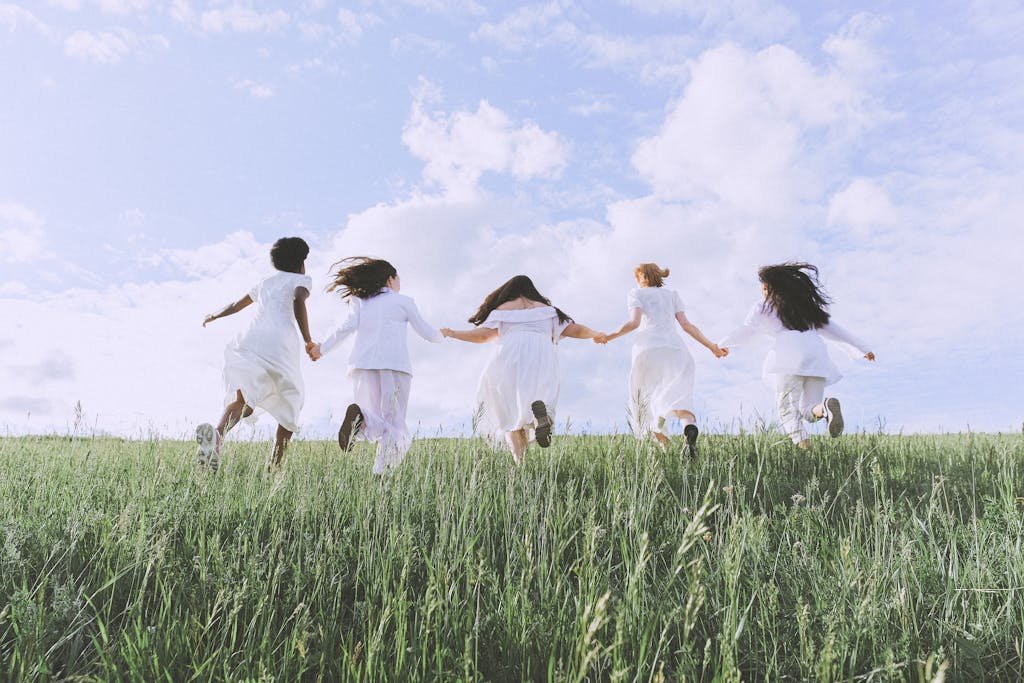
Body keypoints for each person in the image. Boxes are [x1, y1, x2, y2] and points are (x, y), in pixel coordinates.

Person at [441, 275, 600, 464]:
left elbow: (482, 336)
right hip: (541, 353)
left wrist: (454, 333)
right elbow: (574, 330)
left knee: (508, 410)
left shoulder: (502, 310)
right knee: (540, 395)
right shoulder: (548, 311)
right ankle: (543, 419)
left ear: (508, 292)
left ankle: (520, 463)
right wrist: (596, 334)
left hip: (509, 354)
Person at [719, 262, 875, 448]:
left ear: (772, 288)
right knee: (809, 411)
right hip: (816, 355)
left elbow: (749, 330)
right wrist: (863, 348)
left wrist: (723, 344)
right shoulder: (807, 308)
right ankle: (824, 408)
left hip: (789, 355)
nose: (762, 292)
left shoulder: (764, 306)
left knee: (787, 410)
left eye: (764, 288)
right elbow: (834, 330)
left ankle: (806, 452)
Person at [307, 257, 442, 475]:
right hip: (395, 365)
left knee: (377, 418)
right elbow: (428, 333)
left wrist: (320, 349)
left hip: (362, 365)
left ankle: (361, 415)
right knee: (395, 423)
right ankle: (382, 474)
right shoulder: (404, 301)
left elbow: (345, 328)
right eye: (398, 278)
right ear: (390, 279)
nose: (400, 283)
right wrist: (443, 335)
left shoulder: (360, 301)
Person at [196, 236, 317, 471]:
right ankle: (274, 466)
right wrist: (308, 340)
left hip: (251, 340)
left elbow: (235, 305)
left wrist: (214, 316)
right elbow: (299, 300)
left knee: (243, 399)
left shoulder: (266, 282)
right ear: (301, 263)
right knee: (292, 398)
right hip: (280, 344)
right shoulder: (301, 280)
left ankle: (217, 437)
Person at [595, 263, 725, 458]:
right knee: (680, 397)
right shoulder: (672, 295)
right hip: (676, 349)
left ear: (642, 277)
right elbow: (687, 325)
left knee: (645, 400)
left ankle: (664, 445)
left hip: (647, 350)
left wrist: (609, 337)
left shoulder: (636, 293)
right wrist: (712, 346)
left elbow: (634, 323)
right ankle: (688, 427)